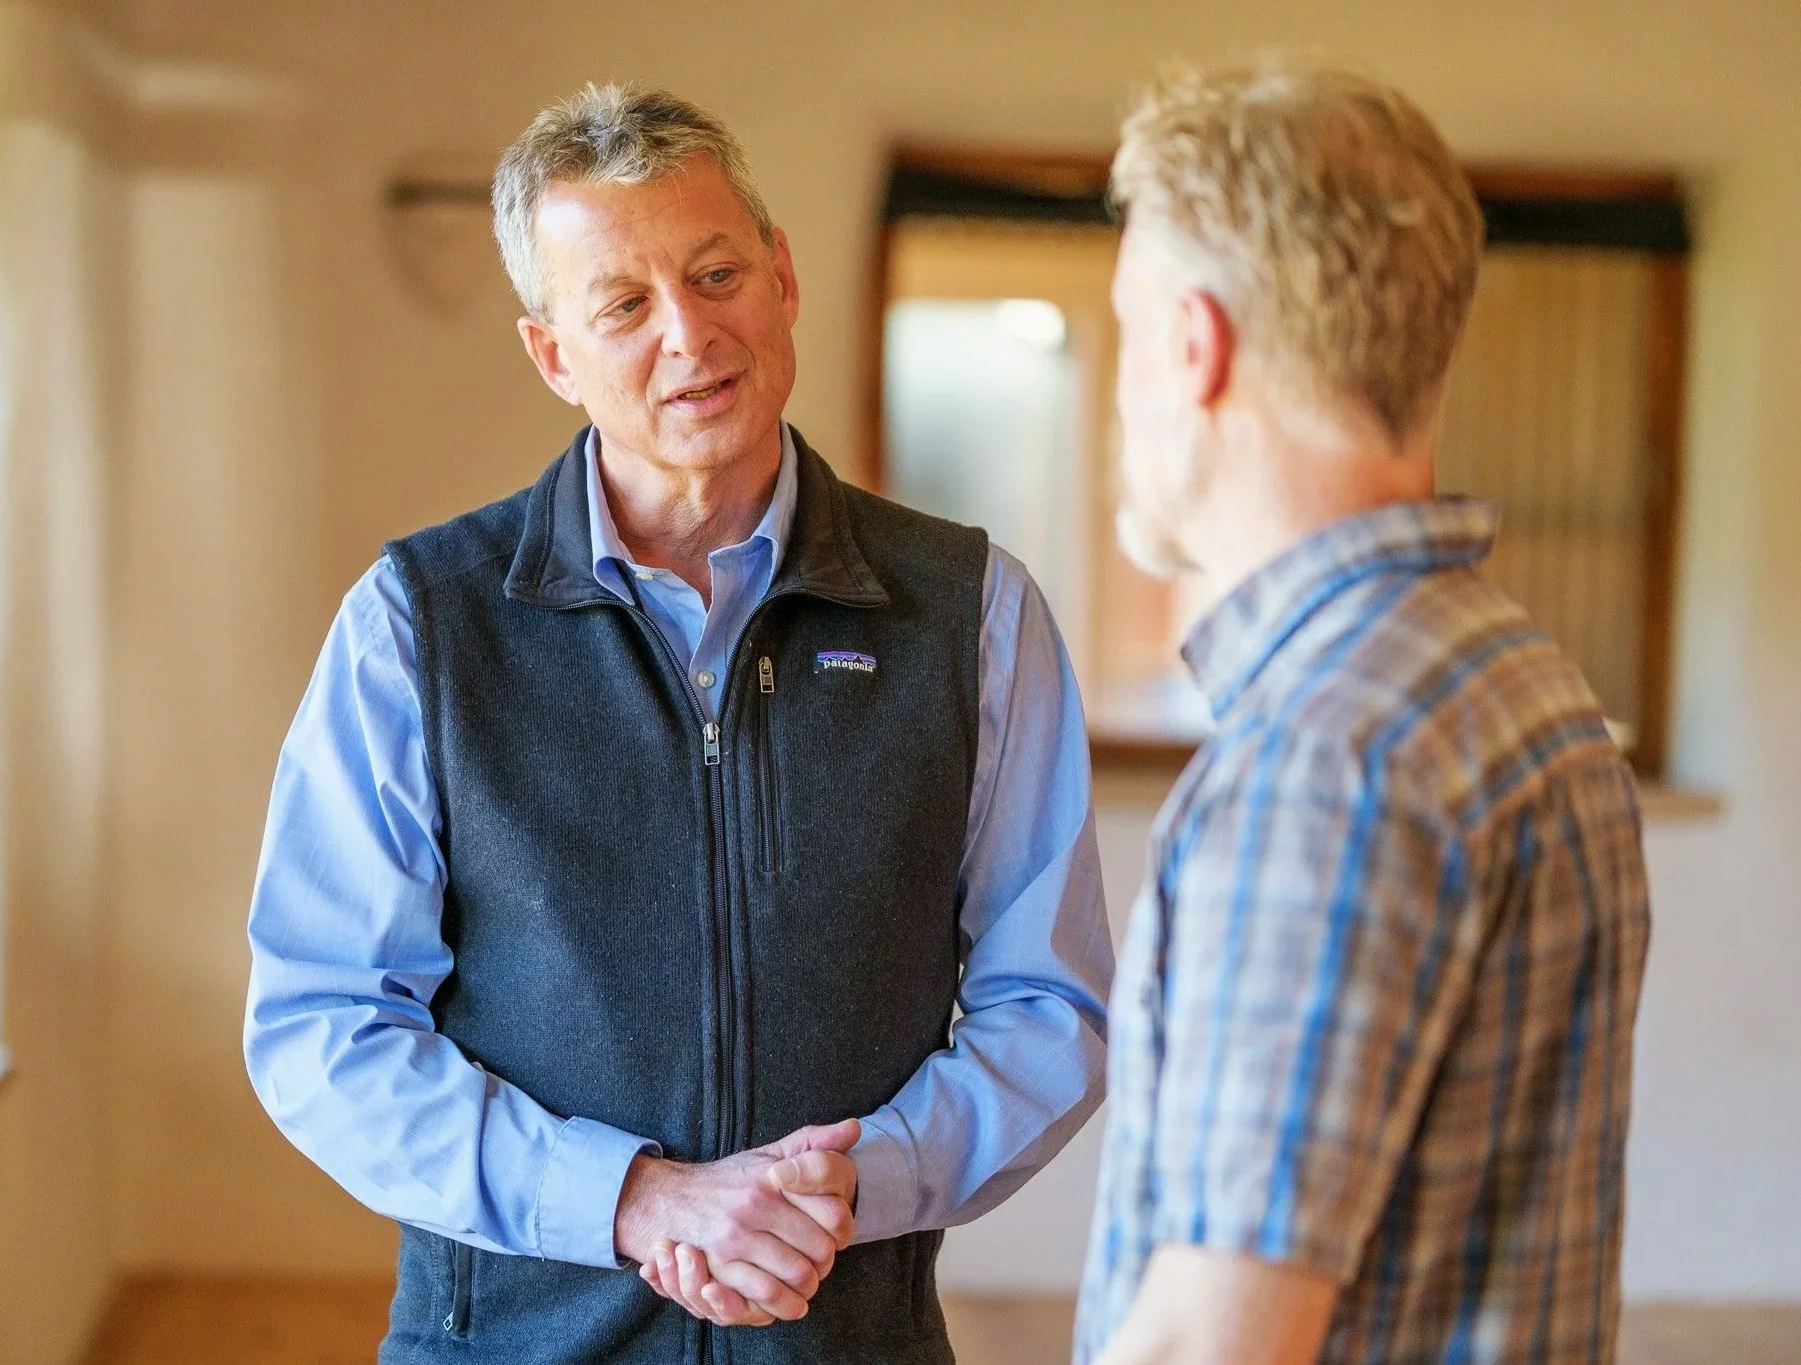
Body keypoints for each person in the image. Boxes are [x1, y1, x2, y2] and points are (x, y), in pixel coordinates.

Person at [243, 83, 1113, 1364]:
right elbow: (323, 1027)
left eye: (716, 275)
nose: (688, 334)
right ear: (554, 355)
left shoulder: (971, 612)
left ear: (782, 279)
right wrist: (633, 1200)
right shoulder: (417, 622)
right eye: (622, 305)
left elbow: (1047, 1005)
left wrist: (848, 1185)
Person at [1076, 61, 1652, 1364]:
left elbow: (1207, 1343)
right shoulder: (1522, 680)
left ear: (1192, 345)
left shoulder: (1326, 757)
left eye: (1127, 329)